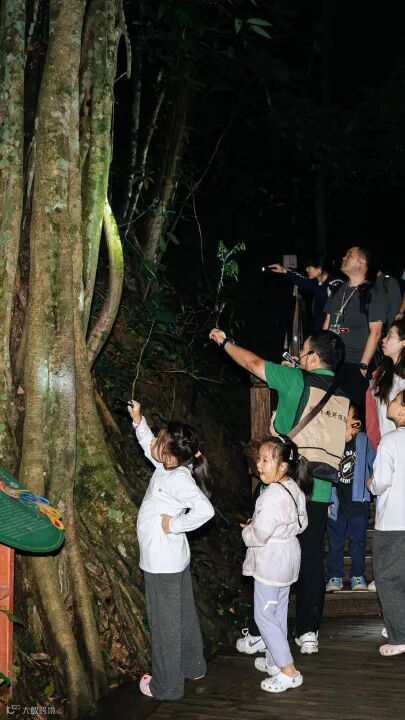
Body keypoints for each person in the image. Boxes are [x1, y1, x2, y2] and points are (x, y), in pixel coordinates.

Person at [209, 327, 348, 655]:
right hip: (320, 489)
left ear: (313, 357)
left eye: (304, 351)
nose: (299, 355)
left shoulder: (295, 379)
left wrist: (225, 342)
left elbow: (253, 363)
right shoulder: (341, 395)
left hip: (285, 486)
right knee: (311, 558)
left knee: (266, 551)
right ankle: (308, 631)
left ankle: (261, 631)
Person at [127, 400, 215, 700]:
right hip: (173, 560)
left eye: (161, 441)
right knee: (184, 614)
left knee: (164, 623)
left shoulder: (178, 479)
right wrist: (139, 421)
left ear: (171, 457)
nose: (155, 442)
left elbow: (205, 510)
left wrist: (174, 524)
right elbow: (148, 445)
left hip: (162, 564)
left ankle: (166, 686)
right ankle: (193, 665)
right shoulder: (168, 466)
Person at [241, 435, 310, 693]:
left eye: (265, 460)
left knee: (264, 616)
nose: (259, 465)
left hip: (271, 562)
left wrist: (247, 531)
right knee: (278, 613)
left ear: (282, 466)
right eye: (259, 459)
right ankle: (273, 661)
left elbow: (259, 535)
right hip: (289, 557)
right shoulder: (293, 487)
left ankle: (288, 671)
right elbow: (302, 524)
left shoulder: (271, 495)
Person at [323, 246, 385, 408]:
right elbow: (327, 324)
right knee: (334, 410)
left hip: (356, 364)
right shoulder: (338, 290)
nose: (343, 258)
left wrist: (363, 366)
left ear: (362, 262)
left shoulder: (372, 294)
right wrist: (321, 354)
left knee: (357, 412)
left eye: (349, 254)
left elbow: (376, 332)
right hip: (333, 363)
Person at [369, 389, 405, 656]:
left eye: (395, 400)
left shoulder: (391, 441)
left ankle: (400, 637)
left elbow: (381, 482)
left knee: (388, 579)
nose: (389, 403)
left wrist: (370, 483)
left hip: (393, 522)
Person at [325, 404, 375, 592]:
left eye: (346, 417)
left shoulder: (364, 441)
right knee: (335, 541)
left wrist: (374, 479)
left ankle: (358, 576)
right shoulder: (332, 440)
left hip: (358, 503)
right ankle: (334, 576)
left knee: (358, 542)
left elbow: (374, 463)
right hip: (336, 502)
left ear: (357, 424)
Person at [269, 255, 343, 330]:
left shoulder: (335, 284)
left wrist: (328, 331)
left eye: (309, 267)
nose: (306, 269)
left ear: (319, 269)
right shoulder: (317, 283)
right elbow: (302, 280)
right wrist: (284, 270)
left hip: (332, 331)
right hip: (320, 331)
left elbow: (338, 312)